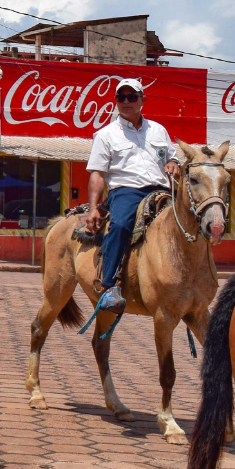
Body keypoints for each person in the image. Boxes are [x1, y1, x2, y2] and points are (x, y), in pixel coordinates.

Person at [82, 78, 179, 313]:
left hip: (161, 190)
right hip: (126, 191)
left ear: (142, 100)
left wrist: (174, 164)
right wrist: (93, 208)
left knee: (188, 221)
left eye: (132, 97)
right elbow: (97, 173)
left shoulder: (158, 130)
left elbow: (172, 157)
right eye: (121, 97)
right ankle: (109, 287)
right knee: (120, 226)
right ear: (116, 101)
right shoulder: (105, 134)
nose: (126, 101)